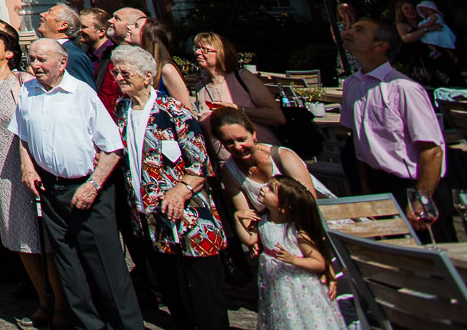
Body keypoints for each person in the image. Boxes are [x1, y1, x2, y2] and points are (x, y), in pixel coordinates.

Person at [13, 38, 144, 330]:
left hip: (87, 188)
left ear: (62, 63)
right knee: (69, 266)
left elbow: (112, 148)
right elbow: (22, 133)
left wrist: (94, 185)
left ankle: (126, 326)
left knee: (106, 266)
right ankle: (88, 325)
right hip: (50, 189)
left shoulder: (81, 93)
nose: (35, 64)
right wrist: (27, 166)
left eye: (42, 59)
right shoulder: (27, 91)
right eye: (32, 58)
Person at [109, 44, 228, 330]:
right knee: (173, 292)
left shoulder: (173, 111)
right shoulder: (122, 108)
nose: (119, 77)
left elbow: (200, 164)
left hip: (189, 218)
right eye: (116, 72)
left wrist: (180, 191)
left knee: (203, 294)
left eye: (125, 72)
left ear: (148, 75)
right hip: (150, 218)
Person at [0, 27, 63, 324]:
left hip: (27, 165)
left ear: (10, 53)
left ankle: (60, 302)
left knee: (42, 236)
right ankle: (43, 299)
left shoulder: (26, 82)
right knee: (17, 234)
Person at [340, 16, 452, 239]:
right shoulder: (352, 85)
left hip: (413, 186)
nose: (348, 33)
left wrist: (421, 201)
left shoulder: (403, 88)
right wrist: (365, 192)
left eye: (360, 30)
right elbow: (357, 142)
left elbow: (432, 150)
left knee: (435, 262)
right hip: (378, 186)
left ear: (381, 46)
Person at [211, 105, 318, 261]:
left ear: (253, 133)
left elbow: (309, 204)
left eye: (242, 139)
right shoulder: (230, 171)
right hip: (274, 237)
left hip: (306, 230)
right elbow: (247, 216)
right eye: (229, 142)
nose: (237, 147)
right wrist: (253, 237)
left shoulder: (282, 157)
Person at [252, 176, 342, 330]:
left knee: (302, 320)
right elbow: (248, 239)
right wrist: (237, 216)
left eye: (270, 189)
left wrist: (292, 259)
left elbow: (319, 262)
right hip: (277, 286)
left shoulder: (296, 232)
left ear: (284, 207)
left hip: (300, 288)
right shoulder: (264, 220)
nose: (263, 189)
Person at [189, 32, 282, 144]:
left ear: (221, 52)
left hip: (260, 152)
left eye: (204, 49)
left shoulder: (242, 77)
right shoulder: (200, 87)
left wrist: (238, 109)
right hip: (225, 161)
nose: (198, 53)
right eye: (196, 48)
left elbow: (277, 117)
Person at [111, 8, 192, 103]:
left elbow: (186, 108)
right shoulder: (134, 64)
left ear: (148, 37)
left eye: (136, 26)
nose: (129, 27)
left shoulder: (166, 69)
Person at [38, 5, 96, 90]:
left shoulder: (74, 57)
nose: (42, 14)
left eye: (50, 12)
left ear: (63, 25)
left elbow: (88, 94)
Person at [77, 7, 120, 117]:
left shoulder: (114, 56)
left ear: (101, 31)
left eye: (84, 27)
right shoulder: (87, 55)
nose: (79, 31)